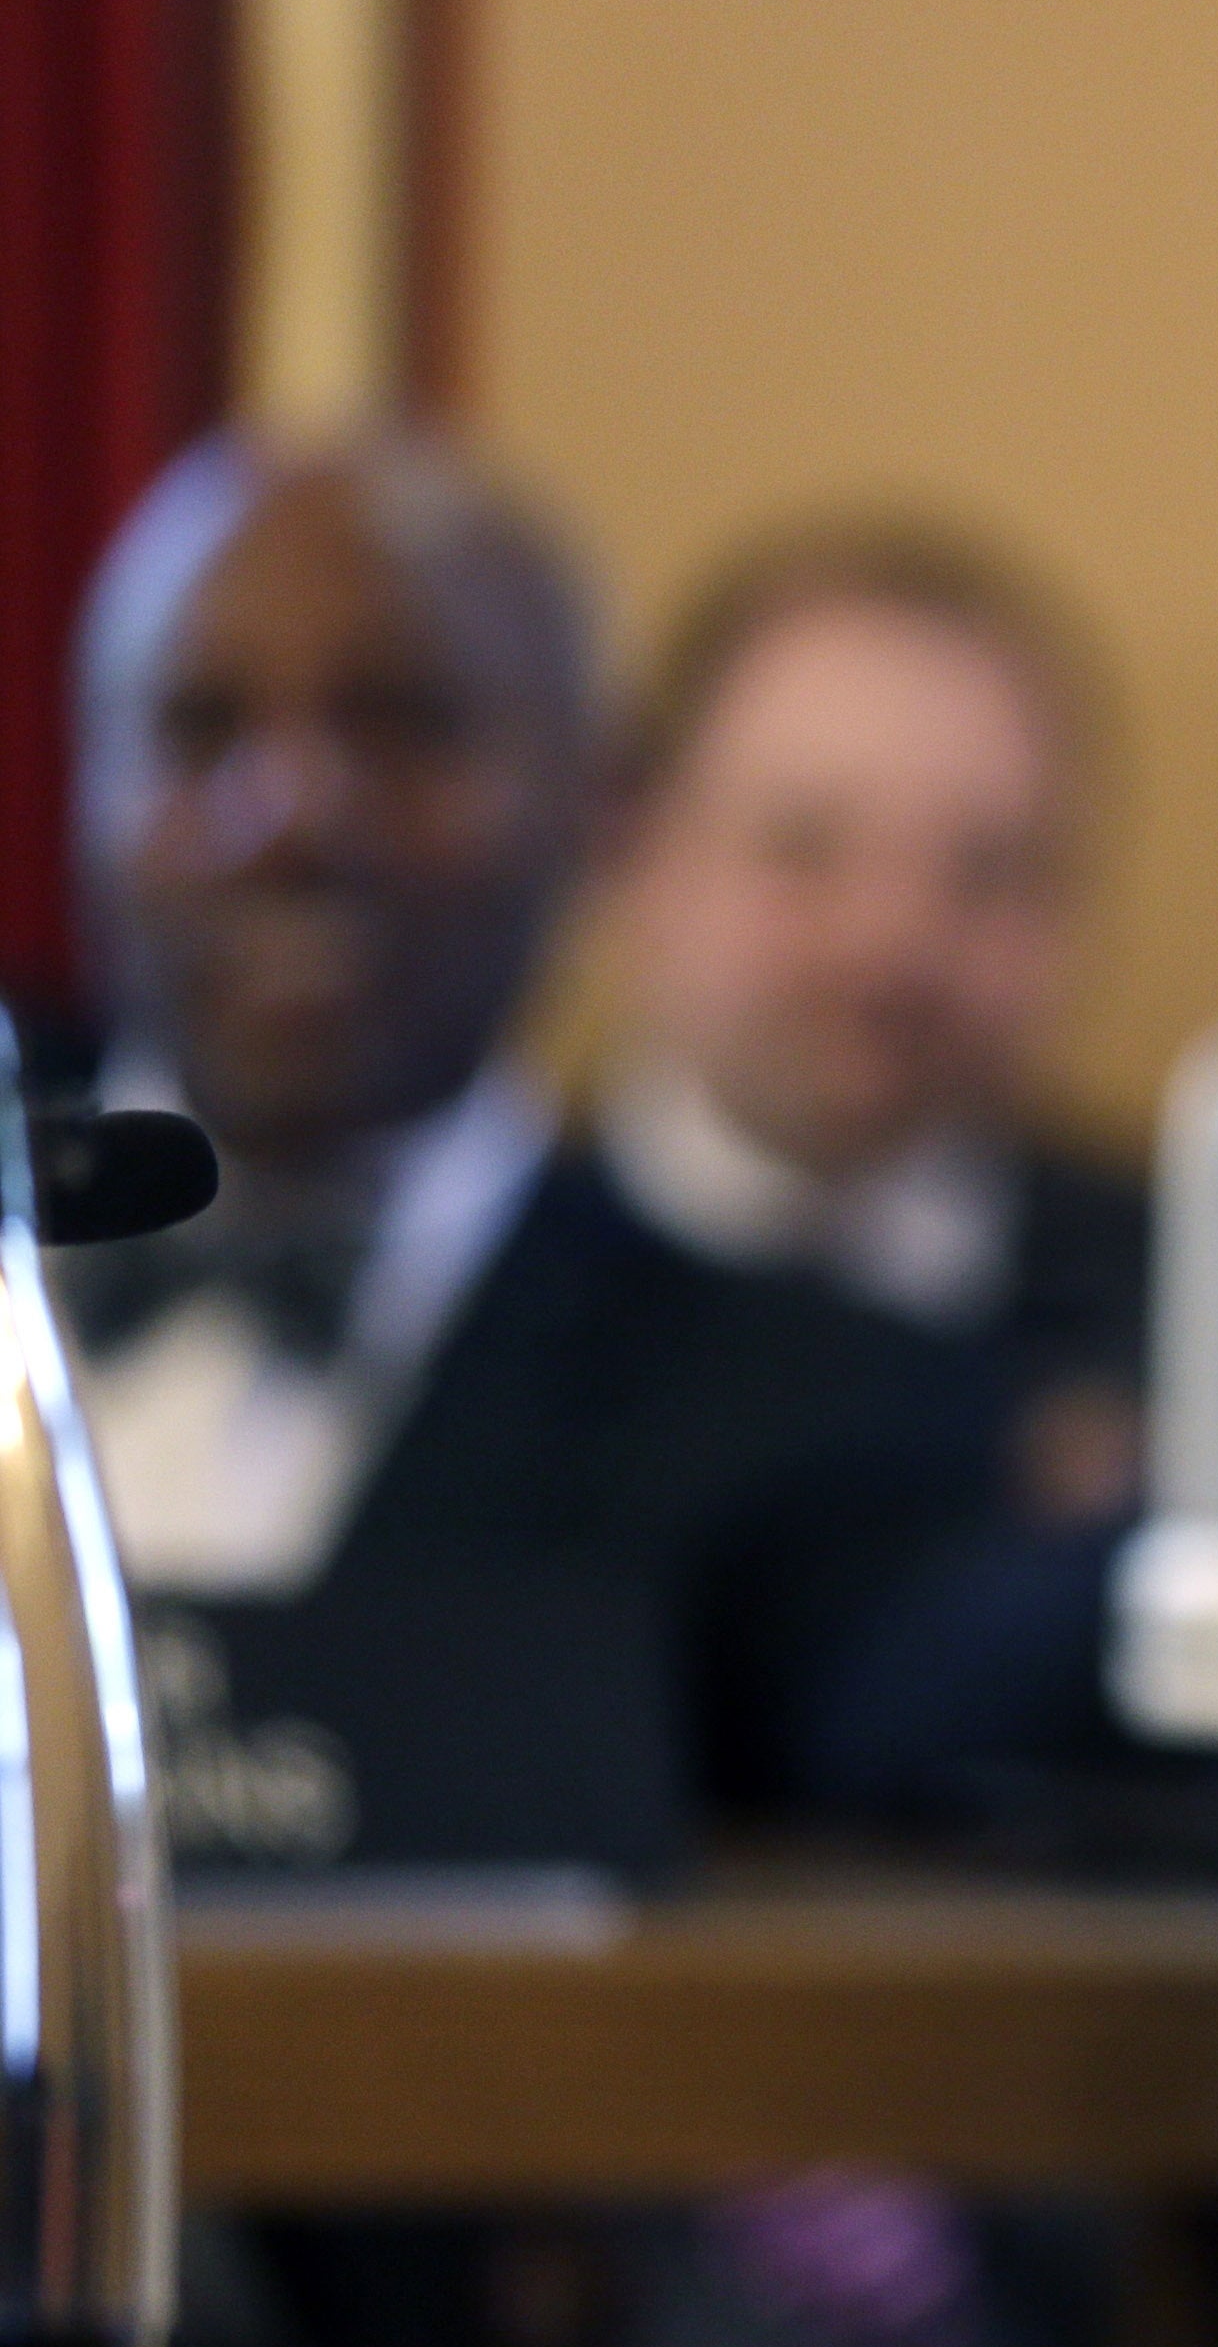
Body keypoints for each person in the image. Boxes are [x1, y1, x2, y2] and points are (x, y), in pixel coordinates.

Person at [63, 434, 991, 1888]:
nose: (288, 814)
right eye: (197, 728)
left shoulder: (814, 1417)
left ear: (597, 808)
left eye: (402, 724)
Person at [599, 521, 1147, 1534]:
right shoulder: (444, 1279)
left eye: (984, 873)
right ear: (643, 856)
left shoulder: (1193, 1319)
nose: (889, 944)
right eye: (803, 848)